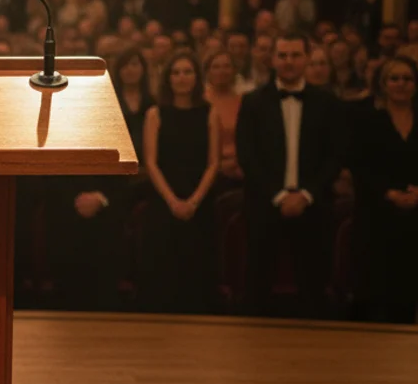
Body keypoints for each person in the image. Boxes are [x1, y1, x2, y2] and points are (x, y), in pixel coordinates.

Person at [236, 34, 342, 318]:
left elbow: (335, 155)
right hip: (264, 205)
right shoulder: (252, 102)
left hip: (314, 205)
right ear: (272, 59)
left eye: (295, 55)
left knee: (313, 290)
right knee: (257, 288)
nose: (289, 62)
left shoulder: (327, 102)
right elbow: (248, 156)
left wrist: (306, 195)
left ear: (307, 58)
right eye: (282, 55)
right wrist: (280, 195)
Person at [140, 52, 220, 313]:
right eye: (176, 72)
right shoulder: (155, 113)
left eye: (187, 72)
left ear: (197, 78)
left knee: (197, 267)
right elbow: (151, 163)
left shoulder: (210, 112)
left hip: (200, 198)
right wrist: (173, 201)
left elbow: (213, 163)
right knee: (163, 267)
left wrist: (194, 201)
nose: (182, 78)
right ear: (168, 78)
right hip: (164, 197)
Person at [352, 57, 418, 323]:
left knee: (408, 294)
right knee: (375, 293)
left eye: (407, 78)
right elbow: (359, 165)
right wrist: (388, 194)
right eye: (394, 78)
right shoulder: (368, 119)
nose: (401, 84)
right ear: (383, 84)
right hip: (376, 215)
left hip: (415, 217)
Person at [205, 50, 245, 191]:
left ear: (234, 70)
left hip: (239, 170)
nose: (221, 71)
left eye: (226, 66)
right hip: (206, 173)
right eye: (216, 67)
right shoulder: (200, 102)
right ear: (208, 71)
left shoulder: (244, 102)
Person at [111, 48, 154, 161]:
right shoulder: (111, 102)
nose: (129, 69)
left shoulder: (152, 102)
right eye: (124, 65)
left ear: (143, 69)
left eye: (134, 64)